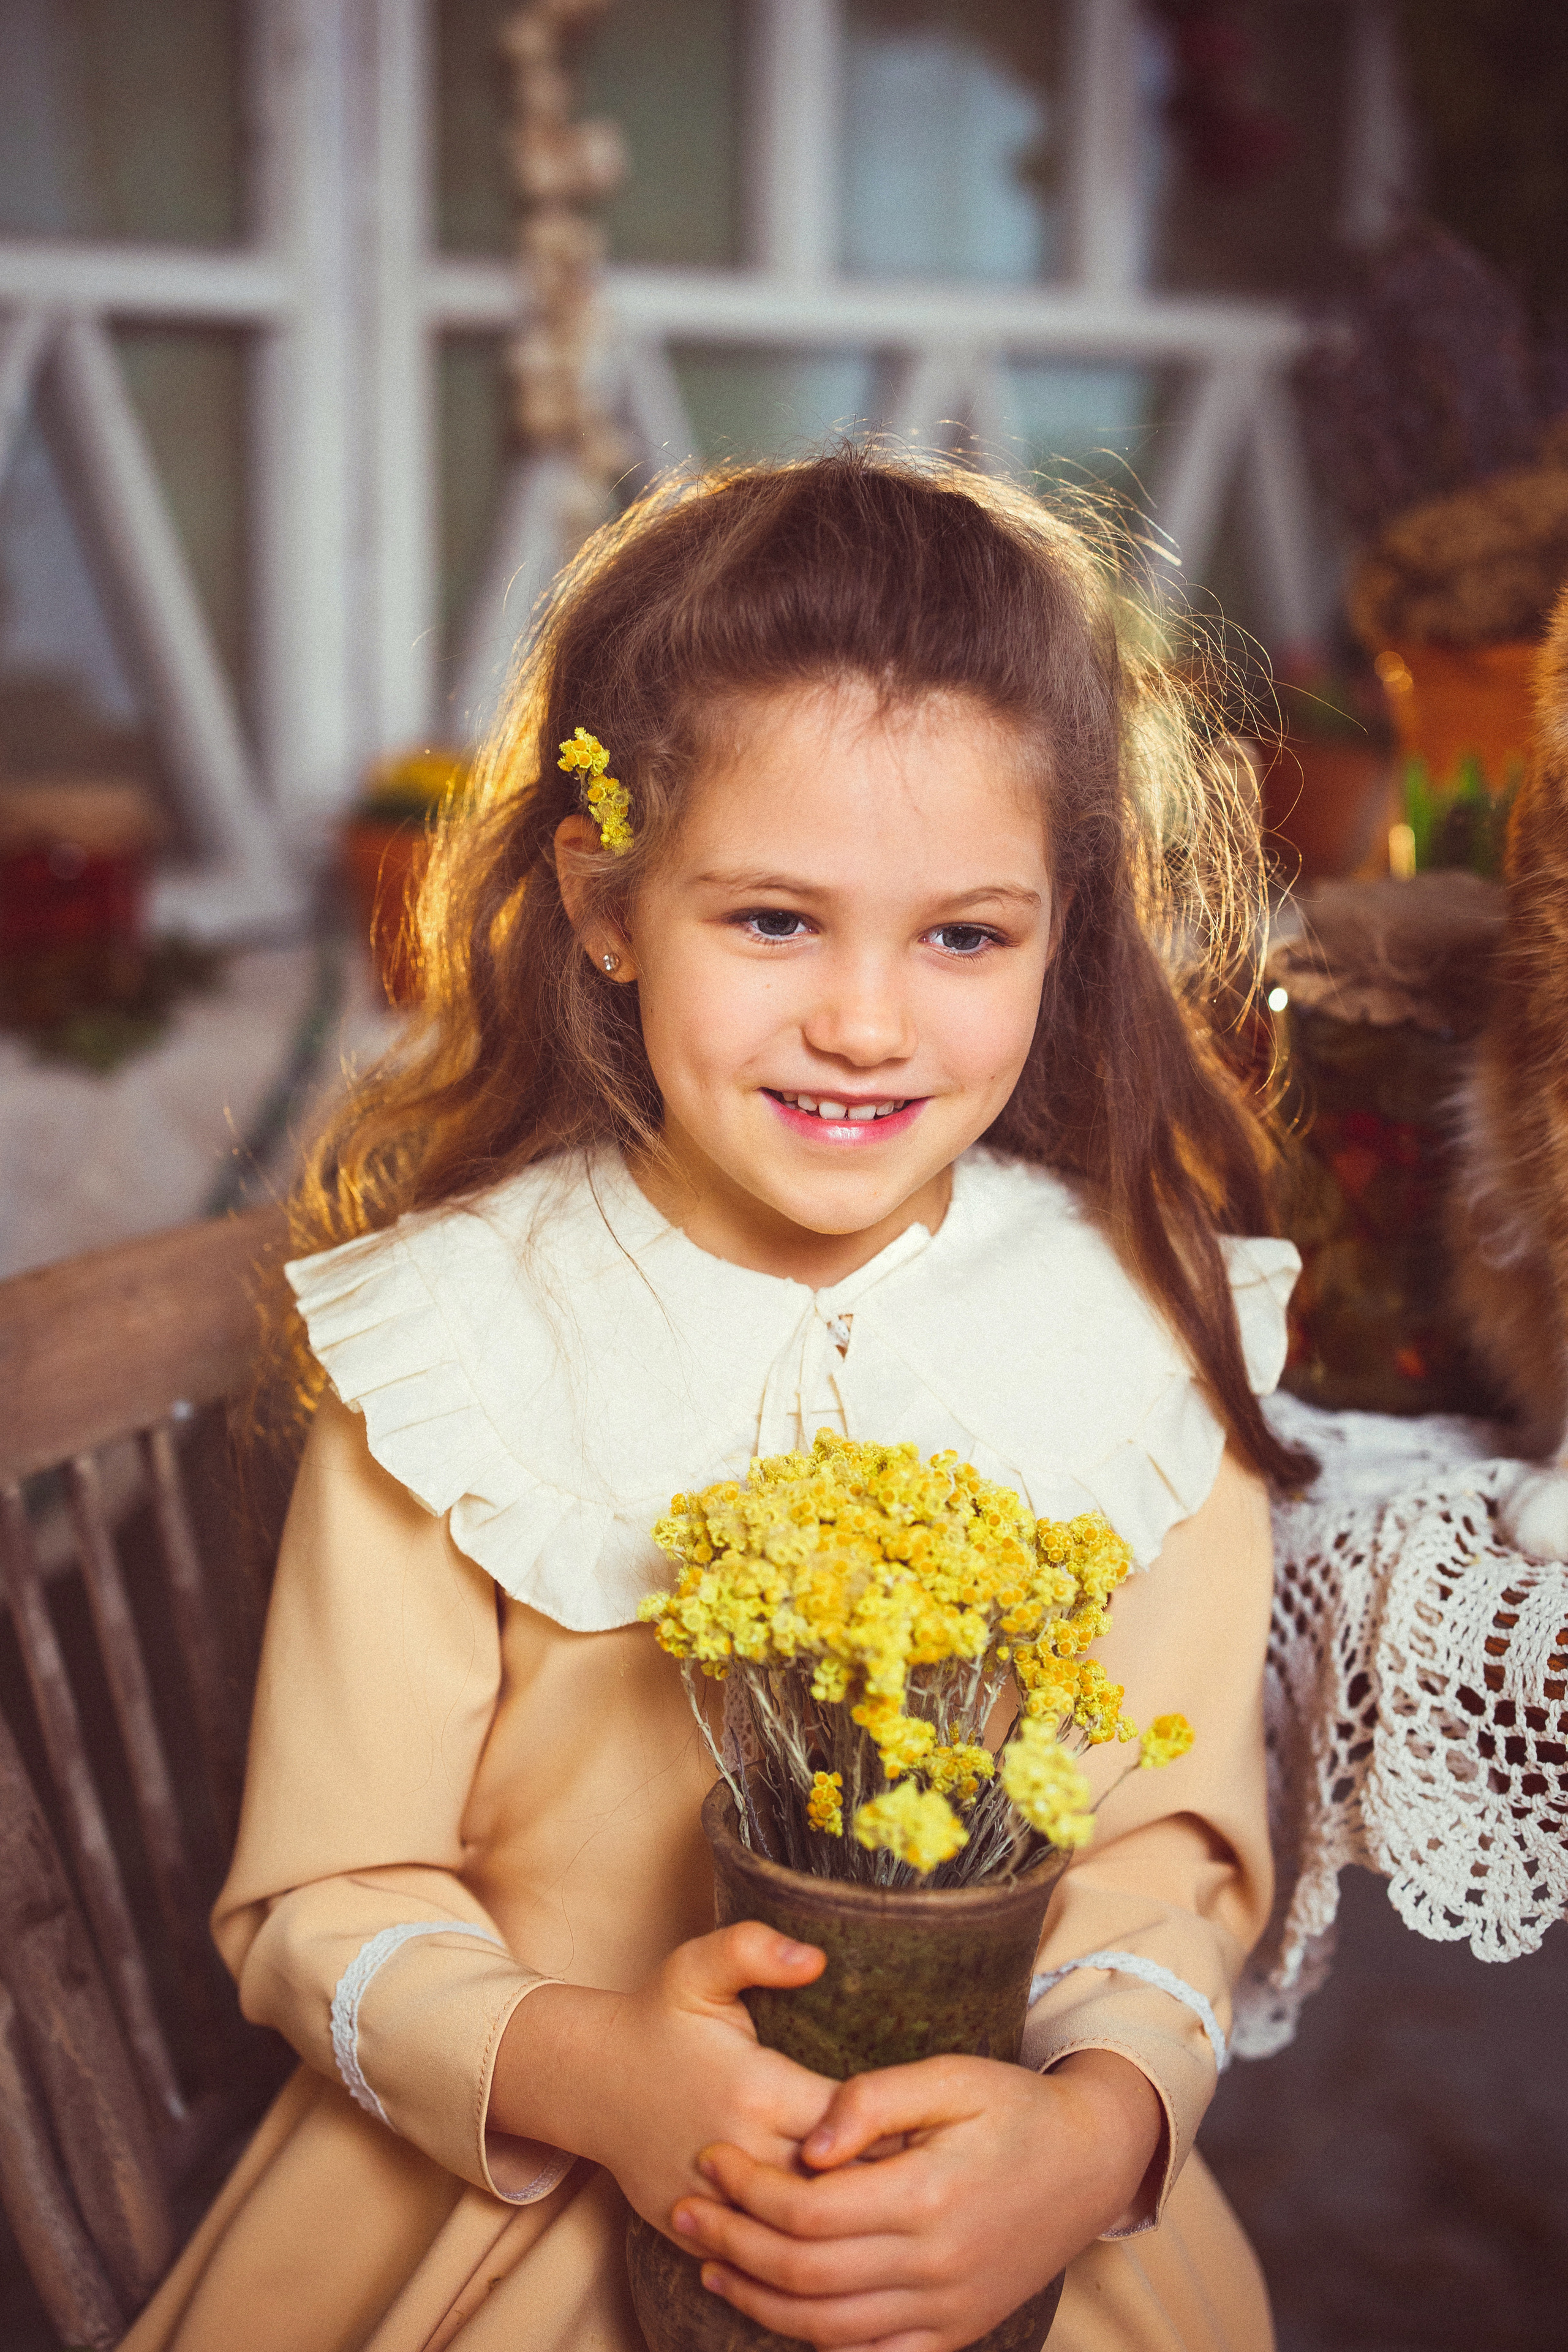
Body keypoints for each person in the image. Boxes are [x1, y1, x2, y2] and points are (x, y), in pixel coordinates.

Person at [125, 448, 1304, 2352]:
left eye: (963, 936)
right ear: (607, 904)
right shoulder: (455, 1346)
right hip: (516, 2214)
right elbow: (325, 1895)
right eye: (773, 920)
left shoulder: (1143, 1330)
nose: (864, 1019)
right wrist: (599, 2078)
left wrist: (1086, 2143)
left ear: (1063, 928)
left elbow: (1167, 1869)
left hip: (1000, 2225)